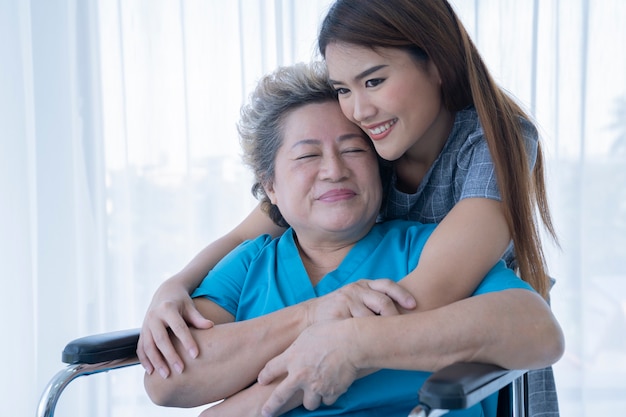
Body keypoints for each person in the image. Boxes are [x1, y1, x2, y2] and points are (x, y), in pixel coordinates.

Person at [138, 1, 560, 414]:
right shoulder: (376, 140)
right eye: (343, 89)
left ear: (437, 63)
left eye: (374, 81)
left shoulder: (488, 142)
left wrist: (250, 403)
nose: (358, 110)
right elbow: (249, 231)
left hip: (467, 349)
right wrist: (173, 287)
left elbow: (432, 291)